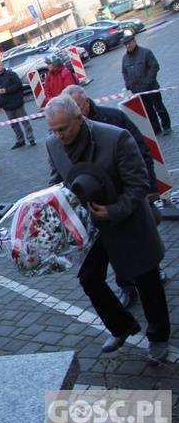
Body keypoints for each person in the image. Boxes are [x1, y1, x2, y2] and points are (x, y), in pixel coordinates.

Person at [44, 95, 170, 365]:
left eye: (63, 129)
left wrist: (113, 210)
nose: (58, 135)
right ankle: (122, 326)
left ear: (80, 118)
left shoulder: (115, 138)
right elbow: (57, 181)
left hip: (128, 222)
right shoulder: (52, 143)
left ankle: (158, 338)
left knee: (147, 282)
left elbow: (139, 186)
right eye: (52, 130)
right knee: (89, 278)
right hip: (92, 226)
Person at [62, 84, 165, 309]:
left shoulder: (114, 121)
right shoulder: (62, 137)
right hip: (98, 217)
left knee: (143, 262)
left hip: (127, 204)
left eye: (77, 107)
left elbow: (142, 152)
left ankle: (152, 275)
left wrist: (152, 187)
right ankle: (127, 291)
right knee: (100, 269)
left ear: (86, 104)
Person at [121, 34, 171, 135]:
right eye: (126, 45)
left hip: (151, 88)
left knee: (159, 107)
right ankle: (156, 128)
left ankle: (166, 126)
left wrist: (149, 81)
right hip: (137, 91)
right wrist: (128, 84)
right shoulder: (125, 58)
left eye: (129, 43)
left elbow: (154, 66)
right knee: (148, 111)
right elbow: (124, 72)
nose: (128, 46)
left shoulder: (146, 52)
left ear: (134, 42)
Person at [0, 60, 36, 149]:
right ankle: (20, 140)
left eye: (0, 65)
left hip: (17, 103)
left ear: (2, 65)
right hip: (7, 106)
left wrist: (7, 90)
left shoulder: (11, 74)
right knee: (14, 125)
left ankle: (31, 139)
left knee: (25, 122)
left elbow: (19, 85)